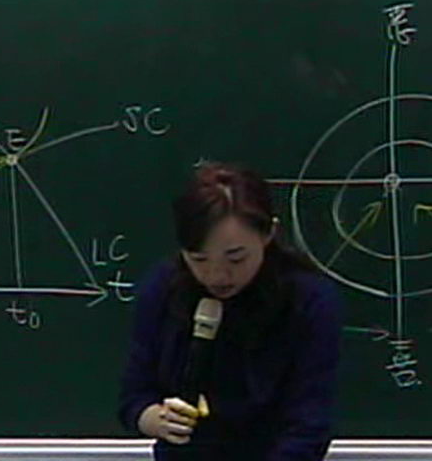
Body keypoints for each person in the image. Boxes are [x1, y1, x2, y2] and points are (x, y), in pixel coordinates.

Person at [118, 162, 343, 461]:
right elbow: (134, 395)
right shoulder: (163, 288)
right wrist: (152, 418)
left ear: (268, 234)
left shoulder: (309, 300)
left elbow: (308, 423)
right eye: (199, 259)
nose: (217, 276)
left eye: (235, 258)